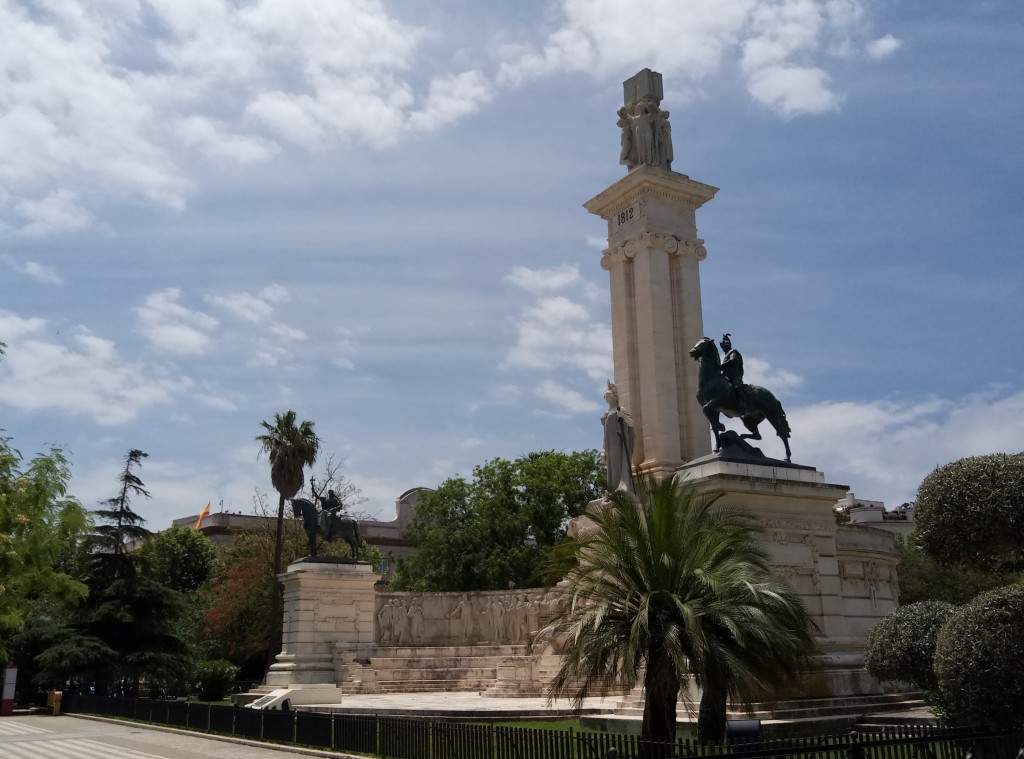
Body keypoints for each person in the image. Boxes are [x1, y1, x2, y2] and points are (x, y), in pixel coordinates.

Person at [602, 381, 635, 494]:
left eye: (610, 396)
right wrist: (603, 449)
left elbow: (631, 423)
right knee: (611, 467)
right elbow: (604, 434)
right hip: (609, 444)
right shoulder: (606, 413)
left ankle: (620, 486)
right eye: (606, 396)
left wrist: (623, 417)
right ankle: (612, 489)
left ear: (614, 397)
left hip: (618, 443)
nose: (608, 398)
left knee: (618, 465)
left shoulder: (621, 410)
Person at [719, 333, 747, 411]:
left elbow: (732, 360)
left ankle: (743, 404)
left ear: (727, 345)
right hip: (726, 377)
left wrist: (722, 366)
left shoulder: (733, 351)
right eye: (722, 346)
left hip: (734, 376)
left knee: (737, 387)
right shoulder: (725, 355)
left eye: (723, 346)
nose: (722, 348)